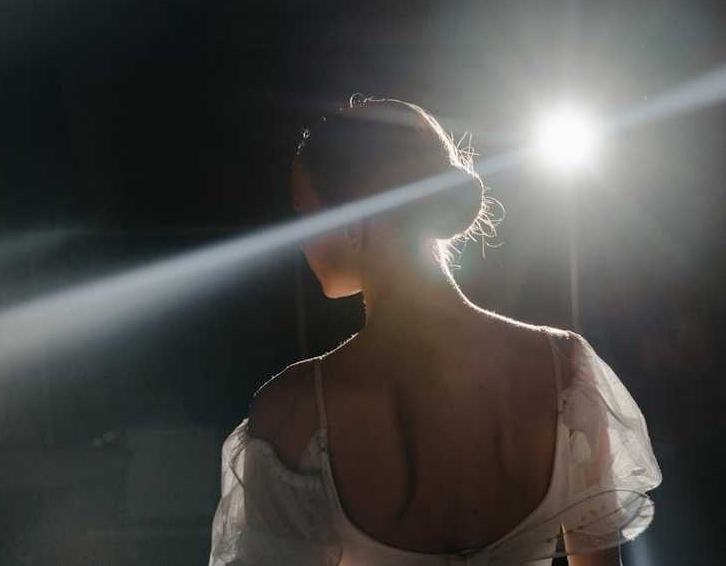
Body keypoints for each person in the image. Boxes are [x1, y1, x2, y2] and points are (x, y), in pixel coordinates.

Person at [209, 95, 661, 565]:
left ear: (357, 217)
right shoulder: (563, 369)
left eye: (307, 215)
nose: (300, 239)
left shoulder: (293, 413)